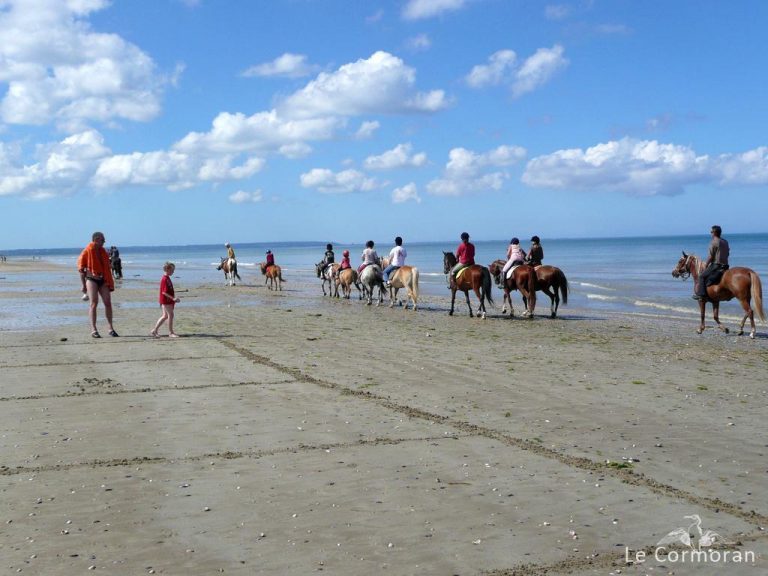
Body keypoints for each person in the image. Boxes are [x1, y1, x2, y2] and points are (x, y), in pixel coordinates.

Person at [77, 231, 118, 338]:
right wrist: (83, 285)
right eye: (103, 240)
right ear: (96, 239)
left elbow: (107, 267)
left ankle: (110, 328)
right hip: (91, 279)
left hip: (103, 280)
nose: (104, 241)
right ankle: (93, 329)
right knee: (94, 303)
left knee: (108, 302)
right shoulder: (87, 251)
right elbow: (81, 269)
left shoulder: (103, 252)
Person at [694, 225, 730, 300]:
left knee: (701, 276)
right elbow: (727, 253)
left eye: (711, 232)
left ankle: (701, 295)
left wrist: (706, 265)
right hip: (726, 266)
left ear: (714, 233)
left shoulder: (713, 242)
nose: (711, 233)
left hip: (717, 265)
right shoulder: (725, 241)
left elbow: (710, 256)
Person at [150, 262, 181, 338]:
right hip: (166, 300)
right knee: (171, 315)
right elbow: (164, 292)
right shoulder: (164, 279)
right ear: (167, 269)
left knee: (165, 316)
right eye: (172, 270)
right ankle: (171, 333)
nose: (173, 272)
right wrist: (173, 298)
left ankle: (154, 330)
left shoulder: (167, 278)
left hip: (166, 300)